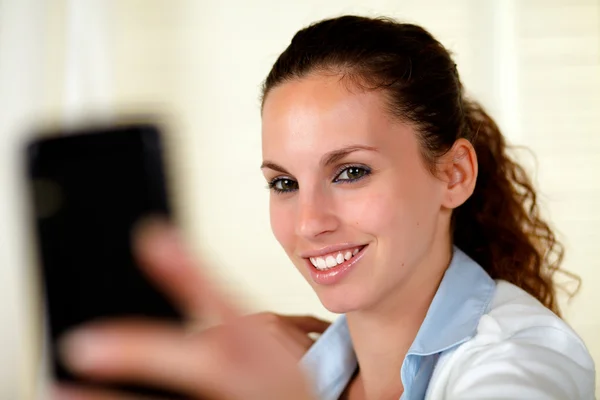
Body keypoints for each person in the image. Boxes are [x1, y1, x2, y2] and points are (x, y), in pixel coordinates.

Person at [53, 15, 595, 400]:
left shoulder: (523, 360)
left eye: (350, 172)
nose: (309, 222)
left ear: (453, 175)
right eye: (284, 183)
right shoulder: (307, 373)